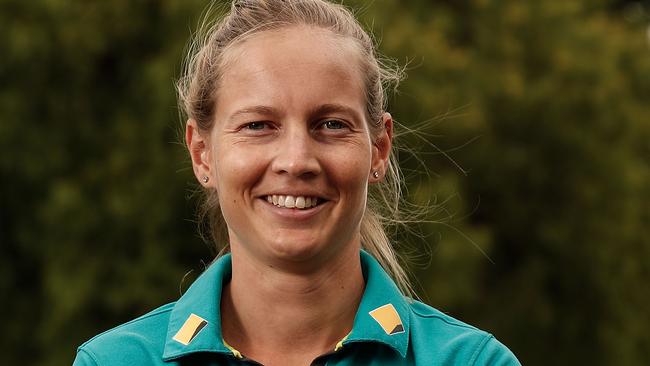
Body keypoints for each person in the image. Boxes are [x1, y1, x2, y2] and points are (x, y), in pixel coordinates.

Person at [73, 0, 521, 365]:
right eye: (258, 125)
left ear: (379, 149)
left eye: (330, 124)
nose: (296, 160)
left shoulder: (472, 361)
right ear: (201, 153)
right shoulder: (115, 361)